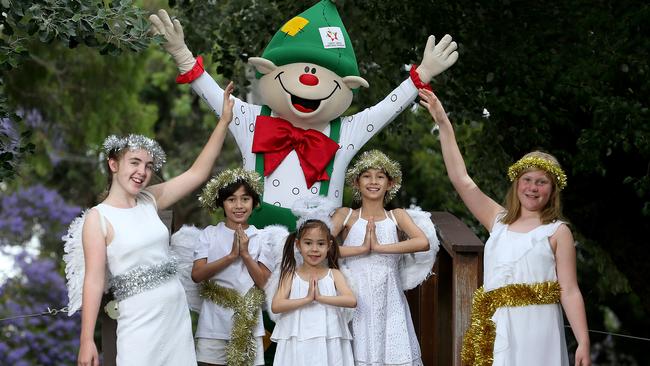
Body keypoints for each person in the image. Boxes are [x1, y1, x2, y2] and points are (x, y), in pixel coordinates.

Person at [418, 88, 591, 366]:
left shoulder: (557, 231)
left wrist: (583, 340)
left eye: (541, 182)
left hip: (538, 326)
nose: (533, 188)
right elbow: (461, 179)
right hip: (495, 326)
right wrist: (443, 122)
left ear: (553, 190)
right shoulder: (497, 220)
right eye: (527, 180)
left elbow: (569, 290)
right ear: (517, 184)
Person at [67, 82, 236, 366]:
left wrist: (223, 121)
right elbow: (94, 281)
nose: (142, 172)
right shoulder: (98, 218)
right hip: (138, 320)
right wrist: (87, 341)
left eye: (148, 166)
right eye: (134, 162)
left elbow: (198, 172)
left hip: (174, 315)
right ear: (113, 164)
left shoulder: (149, 200)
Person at [330, 150, 430, 366]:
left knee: (392, 350)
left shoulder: (397, 216)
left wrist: (380, 247)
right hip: (355, 295)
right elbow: (323, 247)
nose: (373, 181)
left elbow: (422, 242)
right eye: (367, 176)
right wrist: (362, 249)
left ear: (390, 183)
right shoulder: (346, 215)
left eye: (380, 176)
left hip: (389, 296)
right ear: (356, 182)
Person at [190, 167, 273, 366]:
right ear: (222, 203)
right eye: (231, 199)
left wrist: (244, 254)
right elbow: (197, 274)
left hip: (248, 323)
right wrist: (231, 256)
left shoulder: (263, 238)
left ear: (254, 202)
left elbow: (263, 282)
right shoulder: (209, 234)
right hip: (213, 323)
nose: (238, 205)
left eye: (245, 199)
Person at [270, 212, 356, 366]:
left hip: (329, 334)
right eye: (308, 243)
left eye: (321, 244)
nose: (314, 249)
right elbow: (276, 305)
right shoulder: (290, 275)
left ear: (329, 245)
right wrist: (306, 299)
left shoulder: (334, 274)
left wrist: (320, 298)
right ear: (298, 244)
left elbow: (351, 300)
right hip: (298, 337)